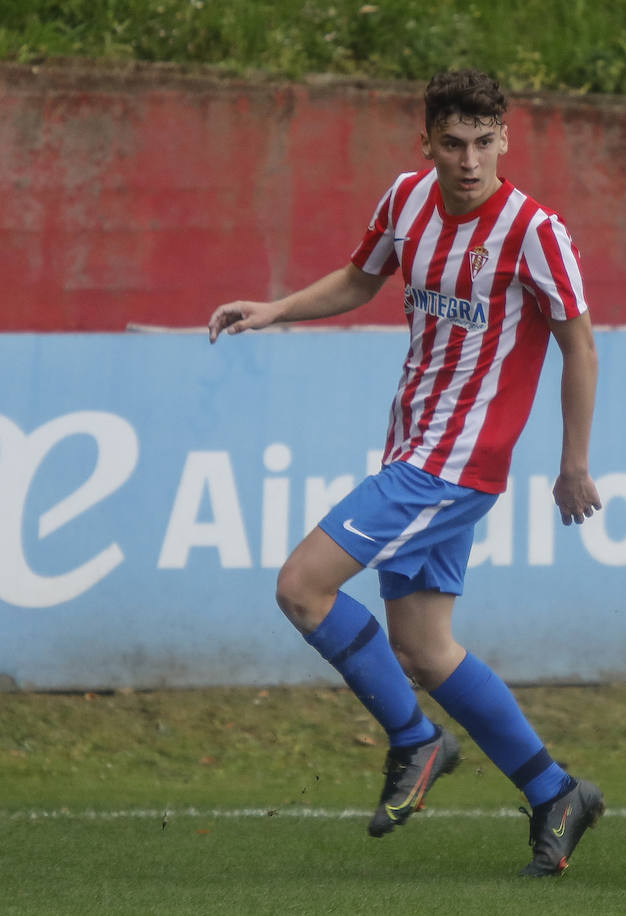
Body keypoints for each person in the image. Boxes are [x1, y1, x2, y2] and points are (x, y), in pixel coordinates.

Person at [207, 68, 605, 878]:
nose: (469, 160)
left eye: (485, 142)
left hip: (456, 466)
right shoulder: (406, 199)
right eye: (453, 143)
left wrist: (573, 463)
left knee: (301, 586)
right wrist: (275, 309)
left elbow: (580, 347)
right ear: (426, 141)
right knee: (424, 649)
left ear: (505, 139)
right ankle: (554, 790)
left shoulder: (534, 230)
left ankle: (417, 742)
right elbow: (361, 277)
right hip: (412, 447)